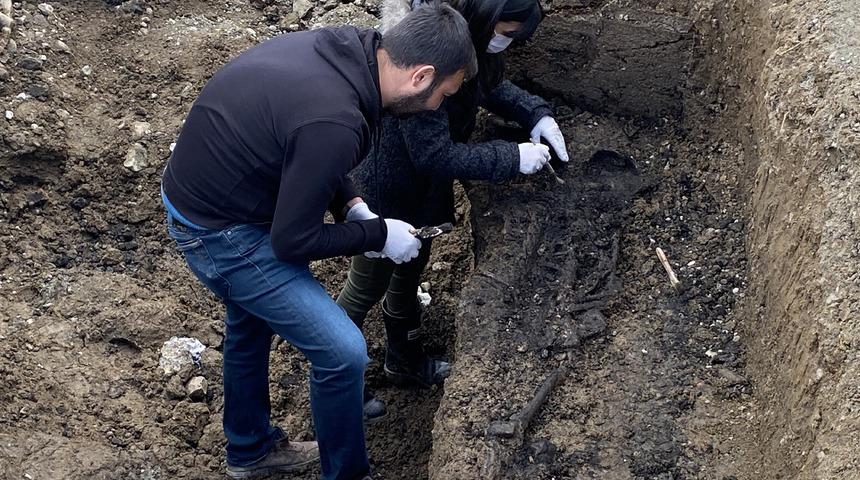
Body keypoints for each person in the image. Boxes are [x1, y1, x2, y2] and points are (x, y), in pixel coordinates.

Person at [160, 3, 477, 479]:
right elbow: (292, 240)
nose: (438, 106)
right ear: (422, 76)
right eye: (443, 94)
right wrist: (377, 234)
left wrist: (352, 206)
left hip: (213, 193)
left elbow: (307, 149)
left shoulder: (353, 53)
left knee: (249, 322)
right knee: (342, 351)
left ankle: (250, 452)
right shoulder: (337, 120)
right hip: (218, 231)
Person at [336, 0, 569, 421]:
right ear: (488, 18)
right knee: (366, 286)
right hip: (387, 197)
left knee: (410, 270)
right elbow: (434, 154)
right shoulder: (429, 69)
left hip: (420, 197)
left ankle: (402, 359)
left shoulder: (471, 49)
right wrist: (509, 158)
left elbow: (491, 86)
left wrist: (536, 113)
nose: (507, 42)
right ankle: (335, 377)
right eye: (508, 32)